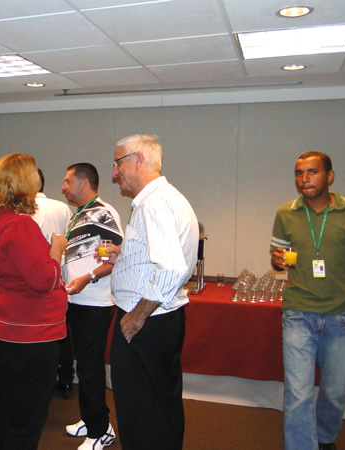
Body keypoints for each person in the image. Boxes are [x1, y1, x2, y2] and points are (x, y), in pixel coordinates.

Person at [270, 151, 345, 450]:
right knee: (298, 394)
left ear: (330, 176)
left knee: (335, 392)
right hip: (298, 314)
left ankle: (325, 438)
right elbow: (279, 260)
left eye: (312, 172)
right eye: (299, 173)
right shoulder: (286, 213)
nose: (304, 179)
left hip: (340, 316)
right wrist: (277, 261)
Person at [0, 153, 68, 450]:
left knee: (3, 409)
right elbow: (45, 280)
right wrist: (56, 250)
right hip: (24, 334)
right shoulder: (19, 225)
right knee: (25, 420)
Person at [107, 134, 199, 449]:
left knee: (140, 412)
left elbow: (171, 268)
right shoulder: (165, 198)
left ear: (138, 160)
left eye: (118, 163)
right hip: (161, 319)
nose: (115, 172)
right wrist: (126, 256)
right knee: (160, 406)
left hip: (147, 322)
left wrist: (137, 316)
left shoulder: (154, 203)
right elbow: (162, 258)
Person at [61, 163, 122, 450]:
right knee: (84, 366)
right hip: (77, 301)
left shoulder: (102, 213)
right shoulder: (78, 215)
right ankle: (91, 418)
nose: (63, 187)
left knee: (90, 367)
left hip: (94, 302)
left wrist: (88, 278)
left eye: (68, 181)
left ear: (85, 182)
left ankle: (100, 431)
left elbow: (113, 259)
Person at [32, 168, 74, 398]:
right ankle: (65, 379)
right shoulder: (61, 208)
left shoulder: (20, 211)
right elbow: (70, 242)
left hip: (30, 281)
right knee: (60, 329)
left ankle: (39, 381)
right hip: (57, 277)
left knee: (34, 334)